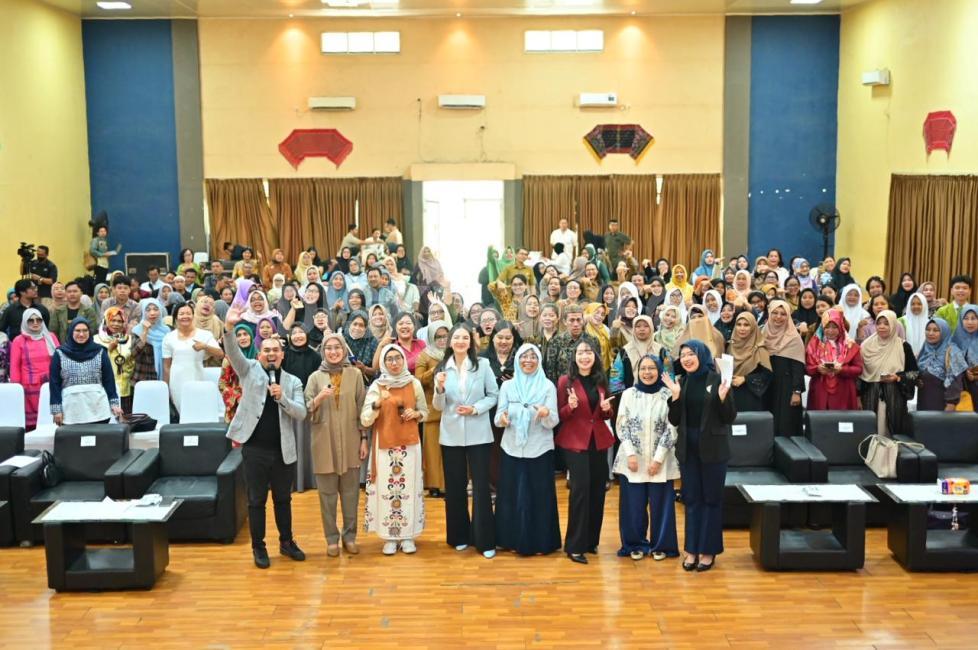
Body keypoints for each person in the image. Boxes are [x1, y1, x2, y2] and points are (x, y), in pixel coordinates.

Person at [223, 308, 308, 569]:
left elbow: (301, 413)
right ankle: (258, 547)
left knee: (283, 500)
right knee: (256, 501)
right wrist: (228, 328)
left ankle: (286, 542)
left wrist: (282, 398)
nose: (271, 354)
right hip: (254, 450)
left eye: (275, 350)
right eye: (266, 350)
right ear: (259, 354)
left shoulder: (293, 382)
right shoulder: (248, 369)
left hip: (283, 451)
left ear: (282, 354)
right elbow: (233, 352)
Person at [665, 339, 735, 572]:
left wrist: (723, 398)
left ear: (702, 355)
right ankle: (691, 549)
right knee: (692, 499)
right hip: (688, 450)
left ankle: (708, 550)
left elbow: (729, 417)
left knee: (711, 500)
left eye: (691, 354)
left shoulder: (718, 380)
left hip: (714, 450)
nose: (686, 358)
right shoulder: (681, 382)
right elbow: (674, 420)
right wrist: (675, 397)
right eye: (683, 355)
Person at [432, 323, 500, 559]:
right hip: (451, 435)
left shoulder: (483, 365)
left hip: (478, 432)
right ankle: (459, 536)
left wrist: (475, 408)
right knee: (455, 486)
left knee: (481, 486)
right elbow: (438, 406)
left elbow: (494, 395)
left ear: (470, 342)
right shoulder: (442, 368)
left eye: (465, 338)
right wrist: (439, 389)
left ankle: (484, 540)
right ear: (450, 342)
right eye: (456, 337)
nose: (460, 341)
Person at [493, 343, 562, 556]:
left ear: (539, 361)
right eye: (524, 356)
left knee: (539, 497)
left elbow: (554, 421)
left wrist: (545, 414)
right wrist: (503, 419)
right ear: (517, 360)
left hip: (539, 448)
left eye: (533, 357)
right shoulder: (508, 386)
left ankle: (541, 543)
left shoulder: (547, 386)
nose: (528, 361)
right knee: (510, 496)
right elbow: (498, 417)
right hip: (511, 448)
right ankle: (508, 540)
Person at [305, 333, 368, 557]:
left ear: (343, 349)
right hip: (324, 441)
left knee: (351, 494)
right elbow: (305, 408)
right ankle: (331, 539)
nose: (333, 352)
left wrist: (364, 439)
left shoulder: (355, 374)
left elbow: (362, 408)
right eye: (329, 348)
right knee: (327, 494)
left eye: (337, 347)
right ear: (323, 351)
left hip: (351, 440)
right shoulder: (315, 378)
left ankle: (349, 537)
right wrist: (319, 398)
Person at [361, 344, 428, 555]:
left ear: (403, 360)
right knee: (386, 490)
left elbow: (425, 411)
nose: (394, 363)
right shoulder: (377, 385)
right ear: (383, 362)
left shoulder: (414, 383)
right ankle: (389, 536)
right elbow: (365, 419)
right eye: (389, 359)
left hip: (410, 445)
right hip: (384, 446)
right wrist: (377, 404)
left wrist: (415, 414)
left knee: (409, 489)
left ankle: (408, 535)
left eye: (397, 358)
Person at [613, 355, 680, 561]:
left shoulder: (667, 394)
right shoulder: (628, 394)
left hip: (662, 458)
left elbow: (672, 427)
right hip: (632, 460)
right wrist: (630, 454)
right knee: (633, 505)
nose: (647, 372)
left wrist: (658, 459)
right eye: (643, 368)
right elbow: (622, 425)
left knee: (662, 505)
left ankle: (662, 545)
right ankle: (635, 544)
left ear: (659, 371)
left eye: (652, 368)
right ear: (637, 371)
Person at [557, 339, 615, 564]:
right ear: (574, 356)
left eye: (589, 352)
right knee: (580, 491)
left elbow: (605, 413)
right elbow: (560, 415)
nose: (584, 356)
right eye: (580, 352)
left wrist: (607, 410)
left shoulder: (601, 380)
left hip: (598, 441)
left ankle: (591, 541)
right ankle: (574, 545)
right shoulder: (565, 381)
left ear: (595, 356)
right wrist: (570, 407)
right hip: (575, 441)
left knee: (597, 490)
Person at [49, 317, 122, 425]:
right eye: (77, 330)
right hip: (71, 411)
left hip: (98, 410)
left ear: (90, 332)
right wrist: (57, 410)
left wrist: (114, 404)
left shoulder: (100, 352)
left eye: (85, 330)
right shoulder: (60, 353)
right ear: (71, 332)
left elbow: (109, 380)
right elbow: (54, 383)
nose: (81, 334)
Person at [859, 310, 918, 436]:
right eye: (879, 323)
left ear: (893, 325)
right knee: (871, 432)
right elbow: (859, 374)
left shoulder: (903, 346)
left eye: (886, 323)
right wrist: (857, 397)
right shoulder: (866, 346)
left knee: (893, 433)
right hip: (870, 395)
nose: (882, 327)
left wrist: (897, 377)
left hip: (894, 396)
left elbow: (914, 373)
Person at [162, 303, 224, 414]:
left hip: (197, 378)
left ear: (193, 315)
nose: (185, 316)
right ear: (176, 317)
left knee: (197, 411)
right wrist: (166, 388)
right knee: (182, 413)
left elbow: (220, 354)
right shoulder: (169, 337)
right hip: (176, 381)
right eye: (181, 314)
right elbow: (166, 366)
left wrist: (205, 346)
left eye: (188, 313)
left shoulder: (204, 335)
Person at [283, 323, 323, 492]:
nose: (298, 336)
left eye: (301, 332)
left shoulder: (315, 356)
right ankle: (292, 480)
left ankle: (310, 479)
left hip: (310, 405)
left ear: (306, 335)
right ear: (289, 337)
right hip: (289, 406)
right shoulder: (283, 355)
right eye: (294, 333)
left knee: (308, 444)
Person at [415, 320, 451, 497]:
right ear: (431, 337)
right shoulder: (425, 355)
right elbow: (418, 380)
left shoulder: (455, 353)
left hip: (453, 408)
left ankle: (449, 484)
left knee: (450, 451)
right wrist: (435, 370)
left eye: (445, 336)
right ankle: (434, 485)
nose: (442, 340)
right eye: (438, 337)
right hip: (432, 408)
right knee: (432, 450)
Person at [764, 300, 808, 437]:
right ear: (769, 314)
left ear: (788, 316)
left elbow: (798, 368)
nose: (778, 317)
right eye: (775, 313)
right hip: (767, 386)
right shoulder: (762, 334)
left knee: (786, 424)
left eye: (783, 314)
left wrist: (796, 391)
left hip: (787, 388)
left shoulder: (794, 338)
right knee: (767, 423)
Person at [9, 308, 59, 428]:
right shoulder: (18, 341)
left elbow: (59, 360)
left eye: (38, 320)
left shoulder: (50, 337)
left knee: (52, 420)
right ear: (25, 322)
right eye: (31, 320)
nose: (35, 323)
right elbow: (15, 367)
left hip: (50, 384)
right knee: (33, 425)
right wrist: (17, 389)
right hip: (29, 388)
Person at [806, 309, 863, 410]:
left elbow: (859, 369)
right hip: (820, 390)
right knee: (819, 418)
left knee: (841, 418)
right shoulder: (813, 345)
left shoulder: (851, 345)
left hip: (844, 390)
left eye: (834, 327)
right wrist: (818, 369)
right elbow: (807, 368)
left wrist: (842, 370)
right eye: (827, 327)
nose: (830, 331)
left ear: (840, 326)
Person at [916, 318, 967, 412]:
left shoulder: (953, 352)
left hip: (943, 406)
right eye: (928, 329)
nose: (930, 333)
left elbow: (956, 381)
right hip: (923, 402)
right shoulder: (924, 350)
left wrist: (951, 404)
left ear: (944, 332)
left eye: (936, 330)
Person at [726, 312, 772, 412]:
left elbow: (767, 376)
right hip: (731, 396)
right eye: (739, 324)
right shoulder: (730, 347)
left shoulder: (760, 349)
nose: (742, 328)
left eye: (746, 325)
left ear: (753, 327)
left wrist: (745, 379)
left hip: (751, 398)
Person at [94, 307, 137, 414]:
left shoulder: (129, 339)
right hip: (104, 388)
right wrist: (109, 349)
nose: (116, 324)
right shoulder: (96, 339)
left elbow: (133, 361)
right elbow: (94, 363)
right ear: (106, 321)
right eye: (113, 320)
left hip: (125, 389)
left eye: (120, 321)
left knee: (125, 419)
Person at [543, 305, 598, 382]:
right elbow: (550, 371)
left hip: (587, 385)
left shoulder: (593, 341)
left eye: (579, 320)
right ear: (565, 322)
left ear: (583, 320)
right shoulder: (555, 342)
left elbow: (598, 368)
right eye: (572, 320)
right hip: (563, 386)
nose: (576, 324)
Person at [219, 323, 257, 423]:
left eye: (245, 334)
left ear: (251, 336)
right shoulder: (229, 359)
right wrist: (238, 397)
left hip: (256, 404)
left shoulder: (259, 357)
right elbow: (222, 385)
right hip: (236, 407)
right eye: (238, 335)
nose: (242, 338)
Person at [131, 298, 170, 383]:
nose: (152, 313)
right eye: (148, 310)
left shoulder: (167, 331)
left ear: (160, 311)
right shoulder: (137, 330)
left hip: (164, 378)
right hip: (143, 377)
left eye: (156, 309)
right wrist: (145, 332)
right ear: (143, 312)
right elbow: (133, 353)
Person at [951, 305, 978, 411]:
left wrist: (975, 377)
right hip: (960, 391)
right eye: (966, 318)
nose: (970, 322)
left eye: (974, 318)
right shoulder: (954, 341)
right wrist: (964, 370)